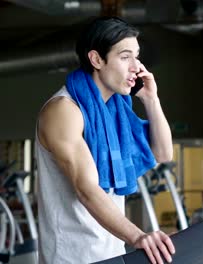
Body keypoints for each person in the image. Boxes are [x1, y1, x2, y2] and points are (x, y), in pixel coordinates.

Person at [35, 17, 175, 264]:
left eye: (137, 56)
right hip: (71, 258)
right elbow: (86, 189)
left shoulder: (114, 110)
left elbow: (163, 154)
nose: (137, 66)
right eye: (125, 57)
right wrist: (138, 237)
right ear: (97, 59)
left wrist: (152, 99)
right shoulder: (64, 110)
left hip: (110, 252)